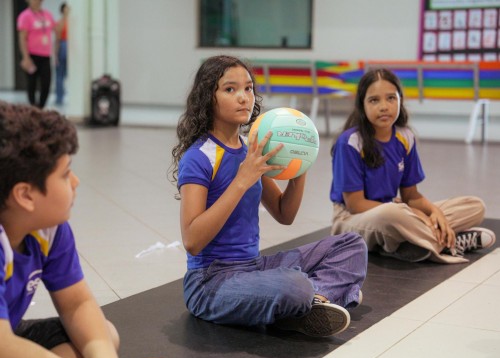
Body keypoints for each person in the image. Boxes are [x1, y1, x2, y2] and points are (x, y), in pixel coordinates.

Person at [169, 55, 367, 337]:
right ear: (208, 98)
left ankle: (309, 302)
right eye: (230, 89)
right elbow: (192, 240)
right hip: (210, 283)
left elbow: (284, 214)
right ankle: (311, 298)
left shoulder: (251, 148)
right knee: (294, 285)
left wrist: (300, 169)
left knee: (352, 246)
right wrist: (241, 180)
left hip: (253, 267)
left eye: (248, 88)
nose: (243, 98)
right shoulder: (199, 157)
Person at [330, 68, 495, 264]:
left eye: (391, 98)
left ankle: (414, 242)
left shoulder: (405, 137)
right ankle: (448, 243)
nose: (384, 106)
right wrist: (412, 213)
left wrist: (435, 213)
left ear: (400, 100)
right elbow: (355, 204)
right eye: (374, 100)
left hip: (397, 211)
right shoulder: (350, 142)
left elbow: (411, 196)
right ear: (362, 105)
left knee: (475, 206)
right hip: (353, 219)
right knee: (392, 214)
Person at [0, 101, 120, 358]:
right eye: (66, 174)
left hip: (5, 331)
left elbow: (77, 304)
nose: (76, 181)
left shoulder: (49, 229)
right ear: (25, 195)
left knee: (104, 337)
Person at [17, 0, 56, 109]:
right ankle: (33, 108)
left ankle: (40, 108)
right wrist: (25, 57)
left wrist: (66, 16)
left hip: (45, 55)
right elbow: (22, 38)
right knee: (32, 84)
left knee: (46, 84)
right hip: (32, 55)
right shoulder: (25, 16)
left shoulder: (47, 15)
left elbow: (56, 29)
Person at [54, 2, 69, 106]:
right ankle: (59, 96)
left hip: (68, 47)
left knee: (64, 74)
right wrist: (55, 54)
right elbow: (58, 39)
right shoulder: (60, 23)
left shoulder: (71, 22)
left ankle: (62, 93)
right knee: (60, 74)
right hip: (63, 46)